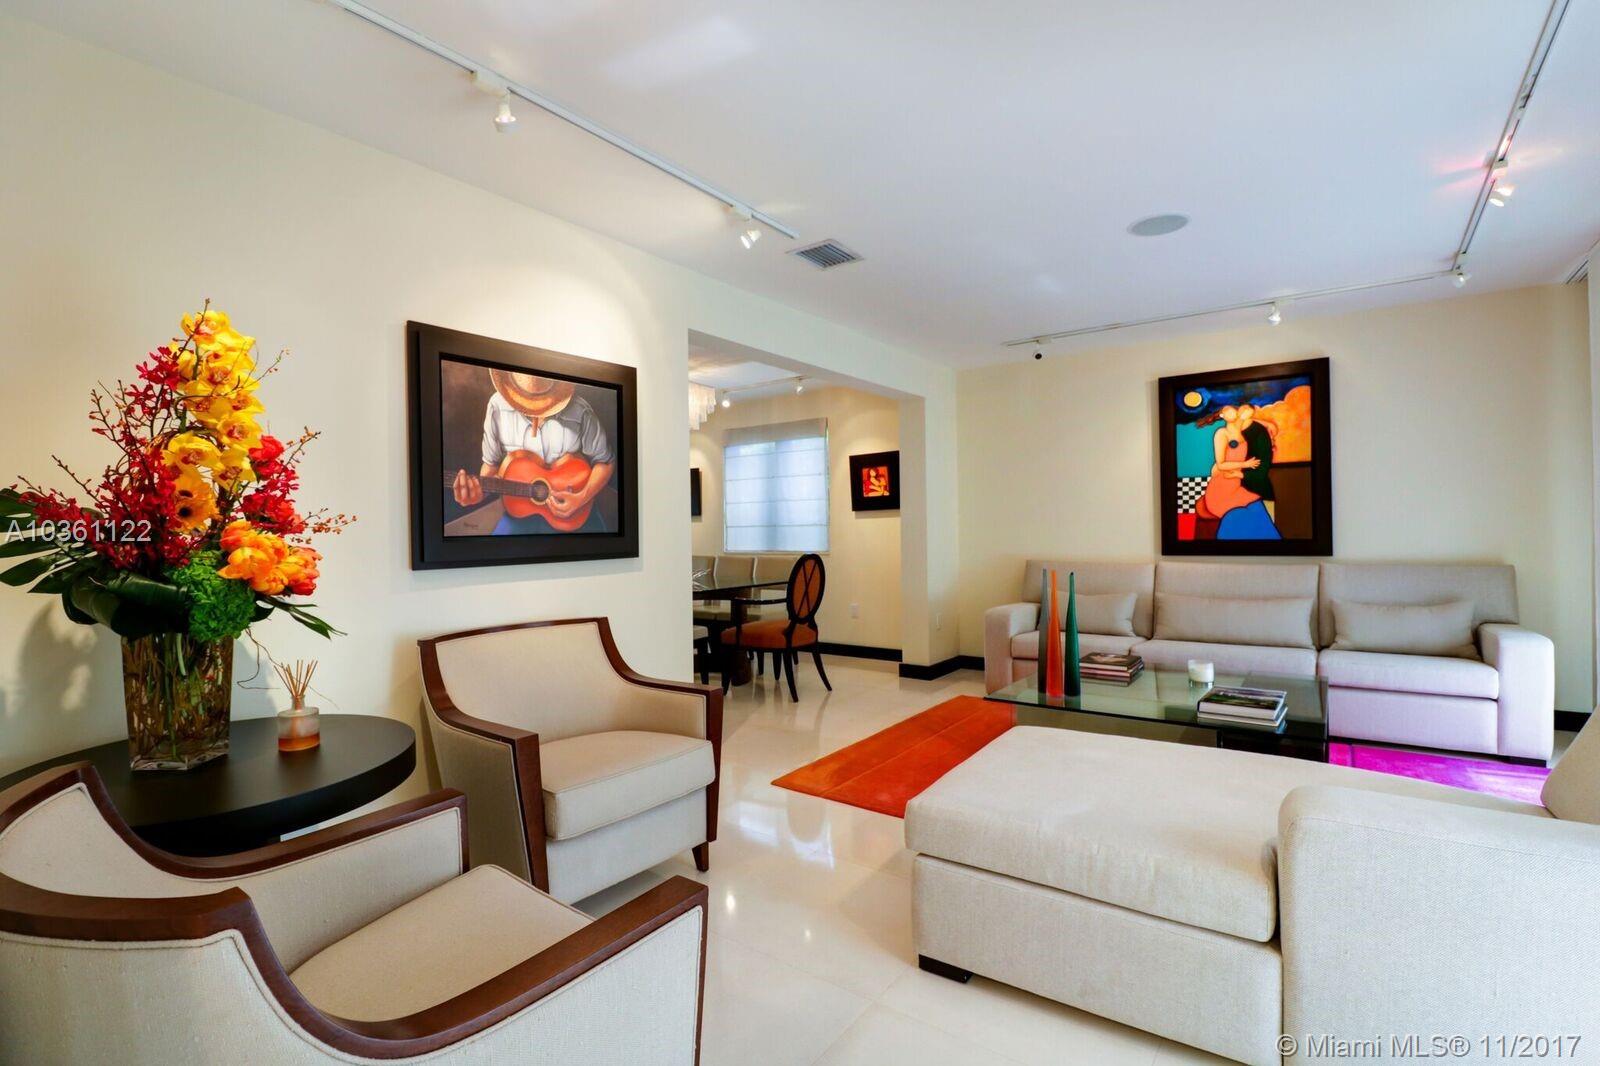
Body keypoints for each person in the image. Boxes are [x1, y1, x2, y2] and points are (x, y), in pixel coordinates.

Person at [451, 371, 614, 534]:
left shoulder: (580, 410)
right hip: (520, 514)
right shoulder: (497, 406)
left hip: (577, 514)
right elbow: (491, 467)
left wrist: (581, 498)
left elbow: (605, 462)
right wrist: (477, 494)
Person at [1195, 404, 1280, 540]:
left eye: (1234, 409)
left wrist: (1267, 424)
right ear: (1222, 416)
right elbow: (1220, 465)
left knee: (1257, 508)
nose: (1232, 411)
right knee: (1238, 516)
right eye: (1226, 410)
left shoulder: (1240, 429)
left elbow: (1248, 418)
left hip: (1236, 486)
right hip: (1222, 487)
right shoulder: (1221, 433)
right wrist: (1244, 464)